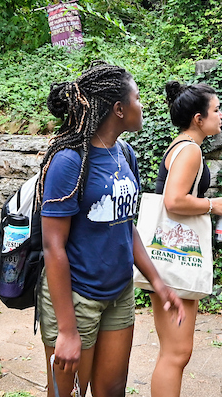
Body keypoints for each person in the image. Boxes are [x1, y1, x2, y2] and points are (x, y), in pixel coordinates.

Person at [38, 64, 184, 397]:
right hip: (76, 297)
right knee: (69, 394)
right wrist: (67, 330)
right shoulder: (69, 161)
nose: (142, 105)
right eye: (137, 98)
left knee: (113, 389)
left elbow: (125, 225)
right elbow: (53, 246)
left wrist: (158, 283)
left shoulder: (125, 154)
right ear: (119, 109)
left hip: (119, 293)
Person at [149, 82, 222, 397]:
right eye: (216, 110)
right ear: (199, 119)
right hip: (176, 255)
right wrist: (213, 205)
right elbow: (173, 200)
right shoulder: (190, 150)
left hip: (170, 253)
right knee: (177, 353)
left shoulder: (182, 146)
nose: (221, 115)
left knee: (175, 351)